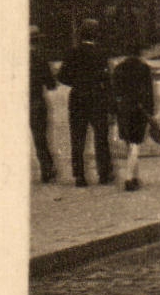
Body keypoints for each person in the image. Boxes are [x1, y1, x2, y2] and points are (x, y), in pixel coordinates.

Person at [57, 19, 114, 186]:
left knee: (77, 138)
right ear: (96, 35)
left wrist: (76, 83)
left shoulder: (72, 53)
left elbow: (61, 77)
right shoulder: (101, 54)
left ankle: (79, 176)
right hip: (97, 98)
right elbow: (107, 79)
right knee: (101, 138)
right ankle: (103, 174)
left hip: (78, 98)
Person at [111, 41, 157, 192]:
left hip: (123, 109)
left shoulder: (119, 69)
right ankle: (129, 178)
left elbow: (114, 92)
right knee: (135, 143)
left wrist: (114, 111)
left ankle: (134, 176)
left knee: (128, 143)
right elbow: (149, 92)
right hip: (139, 109)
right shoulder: (143, 68)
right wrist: (150, 112)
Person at [30, 25, 58, 183]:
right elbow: (51, 85)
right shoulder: (40, 59)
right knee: (40, 136)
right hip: (36, 100)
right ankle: (46, 168)